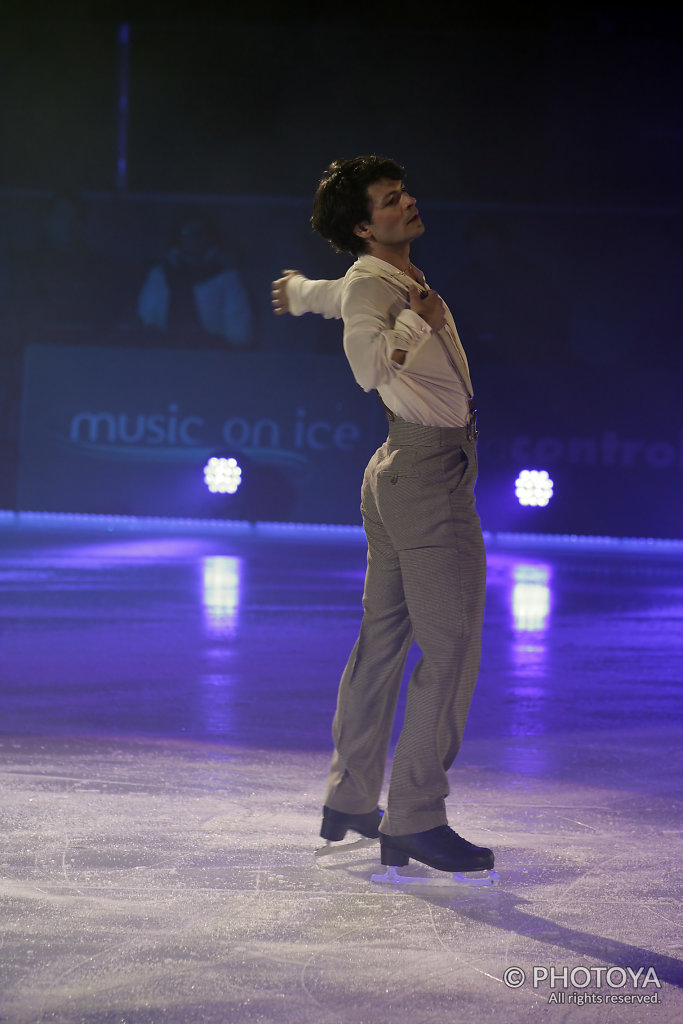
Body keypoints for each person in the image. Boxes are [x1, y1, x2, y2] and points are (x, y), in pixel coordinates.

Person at [271, 156, 494, 875]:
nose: (409, 204)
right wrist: (414, 323)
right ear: (366, 226)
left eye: (404, 193)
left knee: (384, 638)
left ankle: (350, 796)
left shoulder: (372, 277)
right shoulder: (385, 286)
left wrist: (304, 292)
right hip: (425, 479)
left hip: (399, 474)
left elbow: (342, 294)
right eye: (392, 201)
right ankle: (415, 818)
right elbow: (369, 366)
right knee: (451, 646)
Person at [137, 208, 253, 348]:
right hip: (164, 356)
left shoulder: (227, 278)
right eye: (187, 232)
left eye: (200, 232)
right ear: (178, 237)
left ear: (210, 237)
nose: (193, 238)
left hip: (213, 359)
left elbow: (240, 334)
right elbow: (146, 321)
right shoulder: (159, 275)